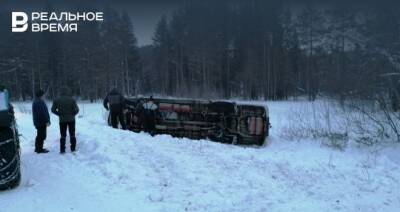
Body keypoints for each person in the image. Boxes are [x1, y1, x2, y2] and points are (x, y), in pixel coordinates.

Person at [51, 87, 79, 154]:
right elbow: (77, 109)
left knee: (63, 135)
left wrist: (59, 114)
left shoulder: (56, 100)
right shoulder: (72, 100)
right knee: (72, 134)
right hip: (71, 120)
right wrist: (73, 114)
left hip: (62, 120)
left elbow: (52, 110)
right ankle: (73, 148)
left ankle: (62, 149)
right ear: (68, 92)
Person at [32, 89, 50, 154]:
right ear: (40, 95)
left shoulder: (39, 101)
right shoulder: (38, 102)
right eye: (43, 95)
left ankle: (38, 148)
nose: (44, 96)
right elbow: (42, 113)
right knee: (41, 135)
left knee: (40, 135)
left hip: (40, 122)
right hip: (40, 122)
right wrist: (47, 121)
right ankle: (39, 149)